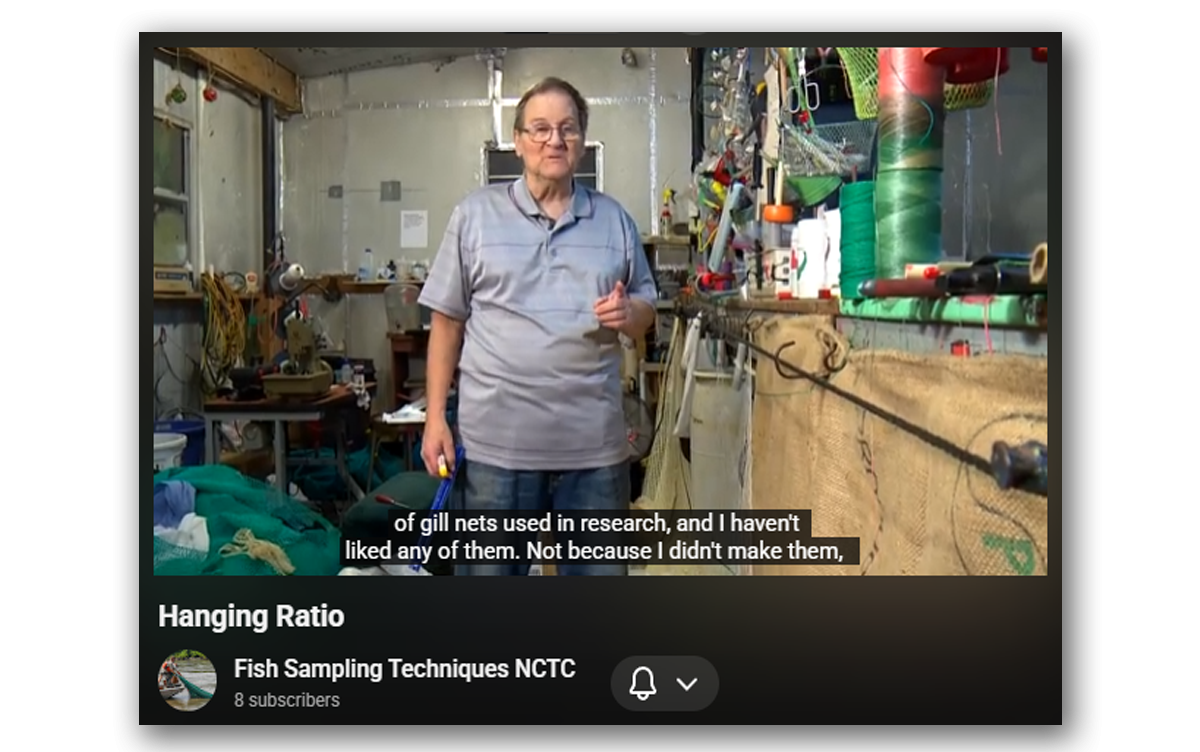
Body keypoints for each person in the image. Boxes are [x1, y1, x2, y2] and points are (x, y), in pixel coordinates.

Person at [418, 77, 658, 576]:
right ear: (518, 140)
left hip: (593, 452)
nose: (555, 140)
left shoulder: (614, 221)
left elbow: (645, 310)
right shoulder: (474, 216)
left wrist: (629, 314)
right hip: (495, 453)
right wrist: (435, 418)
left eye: (568, 129)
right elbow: (446, 321)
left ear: (583, 141)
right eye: (541, 128)